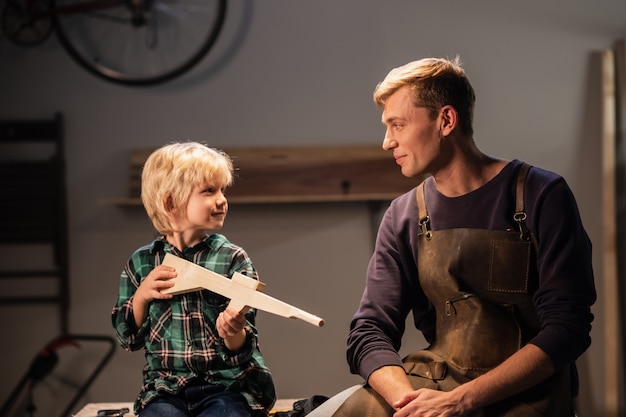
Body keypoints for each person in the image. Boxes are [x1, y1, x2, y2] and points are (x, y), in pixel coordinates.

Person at [332, 57, 596, 417]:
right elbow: (370, 331)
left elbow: (568, 328)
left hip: (527, 393)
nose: (386, 142)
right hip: (435, 386)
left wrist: (464, 400)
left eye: (397, 125)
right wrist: (409, 405)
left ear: (446, 121)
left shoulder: (542, 194)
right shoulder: (403, 215)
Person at [111, 142, 276, 417]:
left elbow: (243, 347)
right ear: (170, 202)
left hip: (226, 385)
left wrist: (232, 330)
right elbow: (127, 338)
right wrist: (142, 296)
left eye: (223, 190)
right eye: (209, 191)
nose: (222, 199)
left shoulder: (232, 258)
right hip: (165, 389)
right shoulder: (142, 262)